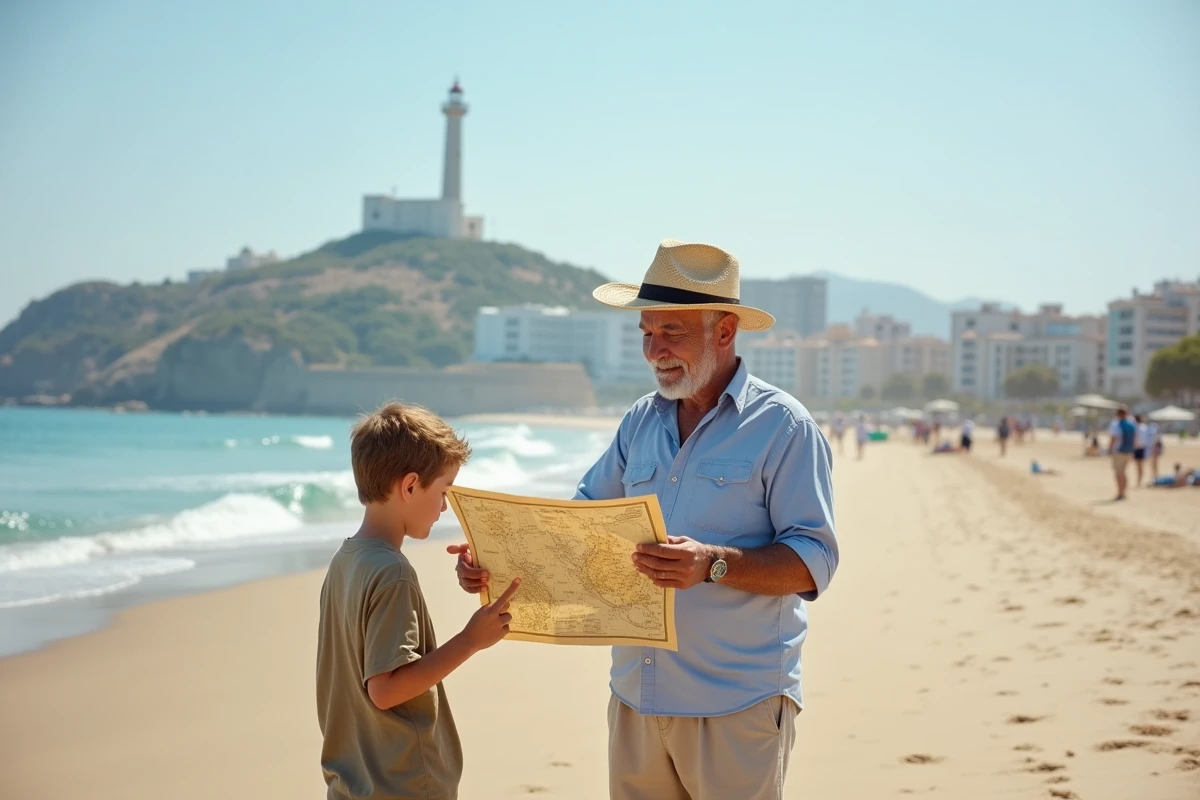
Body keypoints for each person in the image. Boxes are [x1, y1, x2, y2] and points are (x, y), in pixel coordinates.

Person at [451, 240, 838, 800]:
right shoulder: (639, 421)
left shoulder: (784, 427)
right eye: (646, 332)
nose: (654, 350)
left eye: (671, 333)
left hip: (739, 704)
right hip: (636, 697)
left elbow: (815, 561)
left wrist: (712, 565)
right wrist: (493, 560)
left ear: (724, 331)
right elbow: (579, 527)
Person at [317, 402, 521, 800]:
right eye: (443, 492)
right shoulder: (393, 573)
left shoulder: (346, 561)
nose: (444, 507)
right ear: (410, 486)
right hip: (404, 784)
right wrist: (471, 640)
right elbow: (385, 689)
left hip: (352, 781)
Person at [1108, 407, 1137, 501]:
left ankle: (1120, 492)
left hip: (1119, 451)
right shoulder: (1131, 424)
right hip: (1129, 451)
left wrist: (1110, 449)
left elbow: (1114, 438)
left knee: (1118, 473)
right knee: (1123, 472)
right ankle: (1123, 491)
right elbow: (1135, 438)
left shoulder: (1117, 424)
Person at [1132, 413, 1150, 487]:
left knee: (1138, 466)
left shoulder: (1136, 427)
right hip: (1143, 448)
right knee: (1141, 466)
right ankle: (1140, 480)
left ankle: (1139, 481)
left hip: (1137, 448)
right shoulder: (1145, 427)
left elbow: (1134, 438)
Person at [1145, 417, 1162, 485]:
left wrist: (1155, 449)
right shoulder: (1153, 429)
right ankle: (1154, 476)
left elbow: (1156, 440)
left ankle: (1155, 477)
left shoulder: (1153, 429)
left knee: (1154, 464)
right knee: (1153, 464)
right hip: (1152, 448)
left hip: (1153, 449)